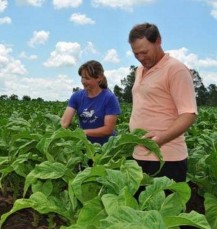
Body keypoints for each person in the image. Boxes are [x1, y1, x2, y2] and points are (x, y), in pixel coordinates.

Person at [128, 22, 198, 183]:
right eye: (135, 54)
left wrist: (160, 139)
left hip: (167, 158)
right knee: (139, 207)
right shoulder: (139, 71)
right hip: (139, 155)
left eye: (144, 52)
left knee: (163, 206)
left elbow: (188, 114)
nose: (140, 58)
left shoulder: (175, 69)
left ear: (158, 41)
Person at [61, 60, 121, 146]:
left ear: (99, 78)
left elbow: (108, 129)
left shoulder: (109, 98)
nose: (83, 81)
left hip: (107, 148)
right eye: (82, 77)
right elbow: (64, 122)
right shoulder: (76, 96)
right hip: (85, 146)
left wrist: (82, 132)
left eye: (87, 78)